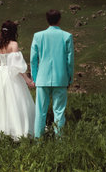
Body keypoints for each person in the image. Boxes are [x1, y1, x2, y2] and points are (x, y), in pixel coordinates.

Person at [30, 9, 74, 138]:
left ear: (47, 20)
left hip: (42, 79)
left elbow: (33, 59)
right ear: (59, 19)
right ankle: (59, 140)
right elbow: (69, 61)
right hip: (61, 79)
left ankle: (38, 140)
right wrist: (70, 78)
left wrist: (35, 77)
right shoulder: (67, 36)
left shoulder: (38, 36)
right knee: (59, 111)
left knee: (40, 111)